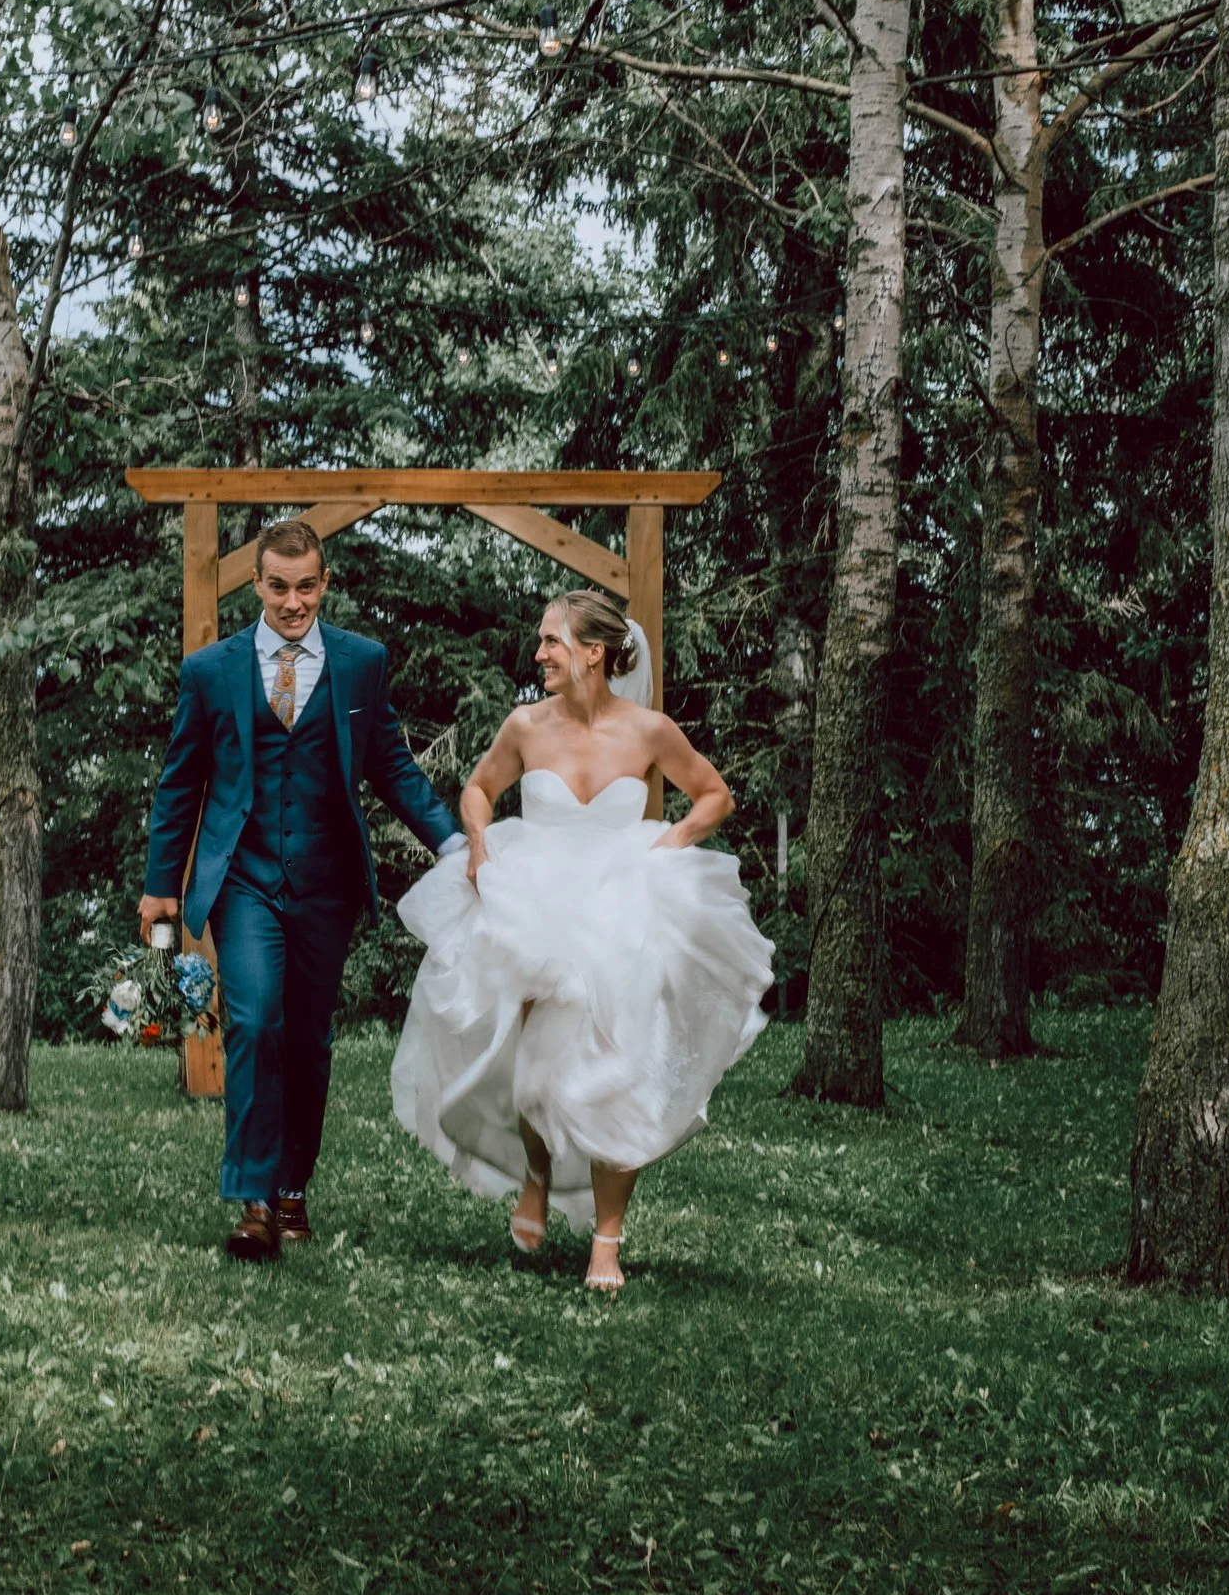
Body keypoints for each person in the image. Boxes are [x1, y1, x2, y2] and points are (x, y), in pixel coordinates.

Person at [391, 590, 774, 1290]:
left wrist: (673, 840)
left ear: (592, 653)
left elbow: (714, 794)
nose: (538, 654)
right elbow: (478, 789)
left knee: (619, 1073)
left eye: (550, 642)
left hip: (623, 903)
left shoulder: (650, 730)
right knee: (534, 1070)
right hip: (538, 899)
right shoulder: (526, 726)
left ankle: (607, 1241)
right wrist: (477, 844)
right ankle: (536, 1176)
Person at [138, 520, 464, 1261]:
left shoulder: (360, 663)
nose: (292, 602)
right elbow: (180, 782)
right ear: (256, 583)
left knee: (310, 1040)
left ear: (324, 582)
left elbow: (392, 765)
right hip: (244, 879)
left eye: (306, 586)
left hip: (326, 883)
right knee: (255, 1022)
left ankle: (292, 1187)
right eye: (278, 587)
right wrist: (161, 888)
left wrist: (449, 842)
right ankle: (251, 1200)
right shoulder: (210, 671)